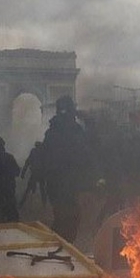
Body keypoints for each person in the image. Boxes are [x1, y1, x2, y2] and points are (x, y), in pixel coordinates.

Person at [41, 95, 98, 242]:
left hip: (57, 183)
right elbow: (88, 150)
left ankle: (56, 247)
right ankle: (58, 250)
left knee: (63, 219)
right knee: (69, 220)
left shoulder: (52, 132)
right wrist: (88, 121)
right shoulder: (72, 131)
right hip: (66, 183)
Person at [18, 141, 47, 208]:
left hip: (36, 173)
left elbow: (28, 162)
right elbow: (28, 162)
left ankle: (21, 203)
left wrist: (23, 173)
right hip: (39, 174)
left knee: (29, 189)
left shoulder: (34, 152)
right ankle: (44, 205)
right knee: (41, 190)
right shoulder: (42, 152)